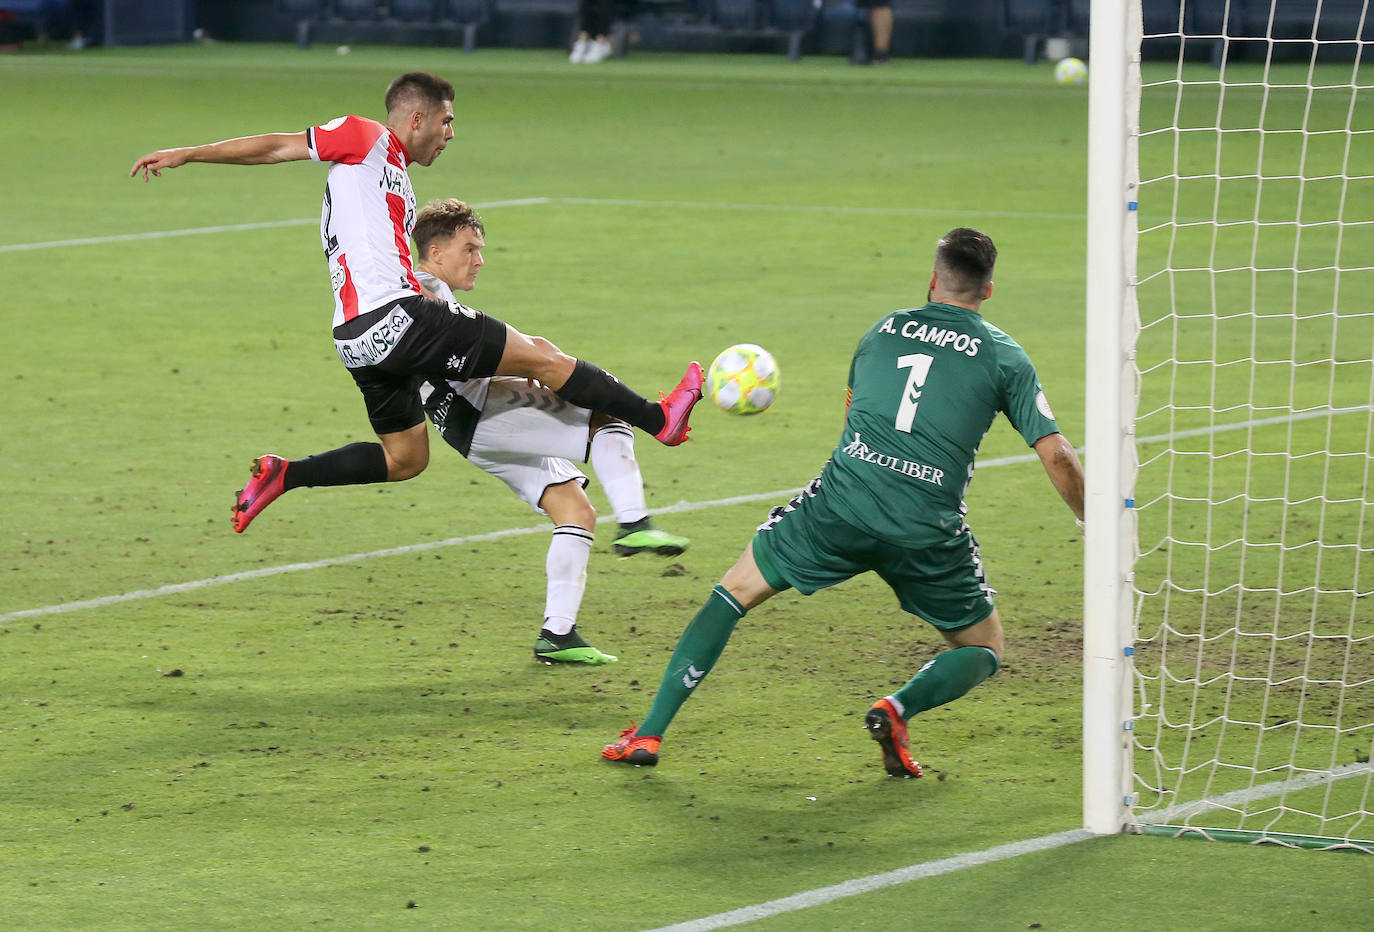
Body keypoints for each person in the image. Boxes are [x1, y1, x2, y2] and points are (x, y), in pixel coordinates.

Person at [129, 71, 702, 534]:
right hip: (398, 317)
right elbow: (278, 146)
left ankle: (286, 475)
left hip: (356, 339)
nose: (451, 134)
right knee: (541, 358)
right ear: (417, 118)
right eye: (447, 121)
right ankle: (659, 420)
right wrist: (190, 153)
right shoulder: (367, 137)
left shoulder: (390, 176)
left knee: (405, 459)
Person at [602, 228, 1085, 777]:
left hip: (839, 507)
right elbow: (1058, 456)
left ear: (932, 280)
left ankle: (648, 734)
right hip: (925, 529)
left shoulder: (882, 330)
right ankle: (897, 709)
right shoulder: (1005, 357)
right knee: (983, 646)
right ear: (989, 290)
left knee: (733, 592)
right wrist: (1090, 518)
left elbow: (856, 412)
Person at [411, 198, 691, 664]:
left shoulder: (431, 288)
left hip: (466, 426)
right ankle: (635, 522)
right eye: (470, 248)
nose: (480, 259)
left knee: (574, 510)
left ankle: (557, 635)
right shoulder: (422, 287)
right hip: (480, 414)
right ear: (436, 252)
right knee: (607, 415)